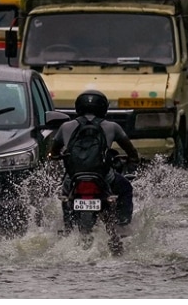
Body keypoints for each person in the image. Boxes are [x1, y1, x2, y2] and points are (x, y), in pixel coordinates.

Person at [48, 89, 139, 226]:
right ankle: (123, 223)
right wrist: (132, 160)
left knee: (65, 194)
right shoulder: (112, 126)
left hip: (73, 177)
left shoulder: (65, 126)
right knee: (126, 187)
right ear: (104, 108)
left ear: (78, 106)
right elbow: (131, 150)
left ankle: (67, 226)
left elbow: (54, 152)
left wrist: (55, 157)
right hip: (104, 177)